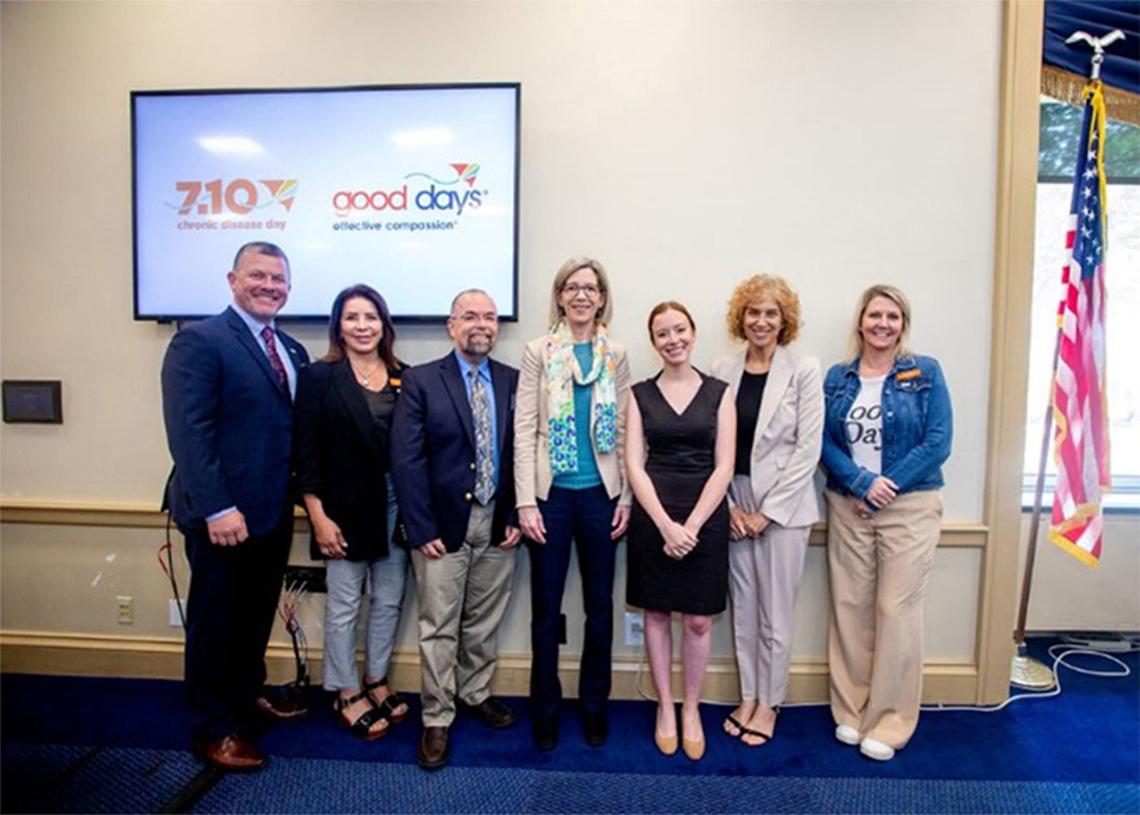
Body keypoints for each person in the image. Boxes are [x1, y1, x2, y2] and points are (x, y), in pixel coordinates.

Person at [161, 241, 310, 771]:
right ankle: (213, 729)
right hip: (223, 516)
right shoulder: (199, 342)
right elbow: (189, 433)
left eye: (278, 279)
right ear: (232, 280)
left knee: (252, 618)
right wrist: (218, 506)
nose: (270, 286)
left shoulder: (292, 351)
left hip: (271, 513)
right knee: (215, 621)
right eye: (258, 276)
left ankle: (247, 698)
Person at [390, 289, 522, 771]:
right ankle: (437, 716)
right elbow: (406, 460)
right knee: (438, 626)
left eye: (489, 317)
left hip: (498, 524)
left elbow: (522, 454)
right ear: (451, 325)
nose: (481, 324)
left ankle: (474, 692)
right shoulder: (422, 381)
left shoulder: (514, 381)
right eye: (470, 316)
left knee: (483, 622)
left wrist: (514, 516)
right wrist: (420, 525)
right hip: (440, 527)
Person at [821, 284, 952, 762]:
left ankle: (890, 721)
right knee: (850, 609)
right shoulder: (838, 378)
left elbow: (938, 442)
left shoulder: (926, 373)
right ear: (860, 321)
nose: (882, 323)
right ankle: (852, 712)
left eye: (892, 316)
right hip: (848, 505)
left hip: (909, 506)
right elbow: (821, 441)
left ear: (904, 324)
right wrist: (859, 482)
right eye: (875, 315)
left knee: (897, 612)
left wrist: (884, 486)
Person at [514, 257, 632, 750]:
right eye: (572, 287)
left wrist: (624, 494)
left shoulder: (616, 353)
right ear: (560, 296)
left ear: (602, 298)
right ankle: (545, 709)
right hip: (551, 498)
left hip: (601, 498)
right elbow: (523, 429)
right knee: (545, 610)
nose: (582, 295)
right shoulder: (538, 351)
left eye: (591, 287)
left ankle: (594, 707)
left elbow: (624, 430)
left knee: (599, 610)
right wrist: (525, 503)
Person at [293, 284, 410, 741]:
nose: (362, 326)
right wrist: (318, 518)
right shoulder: (319, 377)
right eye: (352, 318)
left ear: (384, 324)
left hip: (396, 501)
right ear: (337, 326)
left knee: (389, 599)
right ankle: (344, 689)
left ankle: (375, 678)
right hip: (341, 506)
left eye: (370, 317)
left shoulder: (404, 375)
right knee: (344, 604)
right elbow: (305, 455)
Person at [711, 275, 823, 748]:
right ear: (742, 318)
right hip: (734, 502)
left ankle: (770, 704)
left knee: (776, 615)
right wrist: (733, 508)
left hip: (785, 507)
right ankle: (748, 695)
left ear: (784, 321)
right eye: (753, 312)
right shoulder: (722, 368)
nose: (761, 321)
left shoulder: (804, 369)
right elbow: (717, 445)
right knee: (745, 612)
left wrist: (768, 513)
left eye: (771, 313)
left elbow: (808, 448)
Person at [625, 302, 735, 761]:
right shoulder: (638, 394)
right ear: (654, 342)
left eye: (680, 330)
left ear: (693, 333)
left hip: (704, 518)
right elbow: (634, 463)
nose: (673, 340)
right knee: (655, 614)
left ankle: (691, 708)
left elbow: (725, 465)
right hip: (654, 517)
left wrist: (689, 526)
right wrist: (665, 524)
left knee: (697, 619)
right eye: (662, 334)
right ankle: (665, 708)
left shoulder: (720, 392)